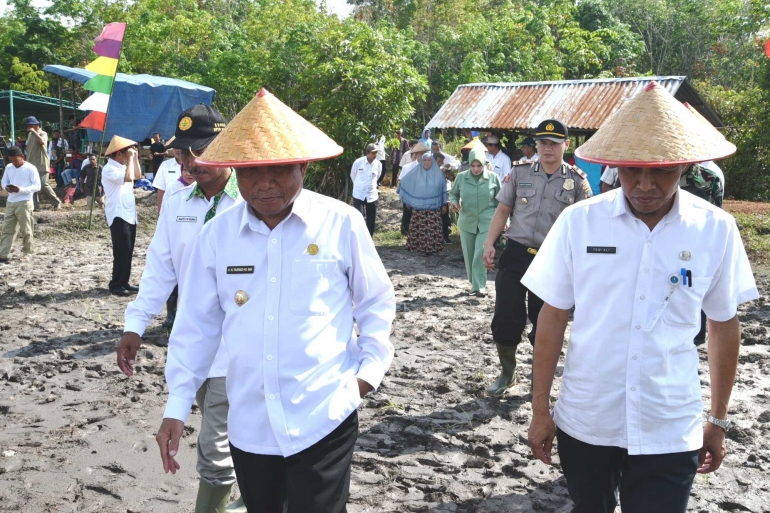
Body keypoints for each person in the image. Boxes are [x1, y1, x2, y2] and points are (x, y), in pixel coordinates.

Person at [153, 88, 395, 513]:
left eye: (279, 169)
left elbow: (375, 302)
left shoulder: (342, 223)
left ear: (302, 165)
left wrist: (366, 376)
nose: (264, 184)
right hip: (248, 424)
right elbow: (196, 326)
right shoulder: (217, 236)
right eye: (250, 172)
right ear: (235, 172)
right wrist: (176, 405)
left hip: (325, 416)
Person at [525, 81, 756, 513]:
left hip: (670, 421)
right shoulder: (580, 223)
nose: (645, 184)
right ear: (614, 168)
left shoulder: (715, 229)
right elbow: (552, 316)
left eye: (662, 171)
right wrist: (541, 409)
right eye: (633, 170)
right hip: (588, 418)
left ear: (685, 167)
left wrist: (718, 420)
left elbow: (723, 324)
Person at [116, 104, 246, 513]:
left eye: (199, 152)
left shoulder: (254, 201)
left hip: (243, 348)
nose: (190, 163)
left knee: (215, 448)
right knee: (236, 437)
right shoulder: (178, 203)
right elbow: (160, 270)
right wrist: (135, 324)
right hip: (194, 347)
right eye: (183, 153)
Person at [482, 119, 592, 397]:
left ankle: (537, 379)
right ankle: (507, 372)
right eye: (543, 142)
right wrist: (489, 242)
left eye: (554, 143)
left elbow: (583, 228)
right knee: (506, 316)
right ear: (537, 145)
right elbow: (503, 210)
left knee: (545, 322)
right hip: (517, 253)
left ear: (566, 145)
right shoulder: (520, 172)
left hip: (553, 260)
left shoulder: (578, 182)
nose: (548, 148)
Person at [449, 141, 500, 296]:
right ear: (469, 165)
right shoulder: (461, 178)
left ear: (484, 164)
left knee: (480, 253)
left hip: (487, 222)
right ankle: (475, 283)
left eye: (479, 166)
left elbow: (502, 202)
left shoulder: (493, 178)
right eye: (473, 166)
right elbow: (454, 193)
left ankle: (479, 287)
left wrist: (506, 222)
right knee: (469, 255)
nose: (476, 169)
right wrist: (454, 202)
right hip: (467, 221)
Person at [102, 135, 141, 297]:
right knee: (121, 251)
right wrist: (131, 159)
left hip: (129, 214)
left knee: (128, 250)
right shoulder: (109, 168)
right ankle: (116, 283)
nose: (130, 155)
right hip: (118, 215)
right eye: (127, 152)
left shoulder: (123, 166)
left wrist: (135, 158)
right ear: (119, 154)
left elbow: (137, 176)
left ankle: (124, 281)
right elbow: (129, 178)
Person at [399, 153, 447, 254]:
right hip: (418, 207)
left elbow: (443, 190)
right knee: (419, 228)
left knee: (432, 228)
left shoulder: (439, 174)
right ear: (421, 161)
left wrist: (444, 204)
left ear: (432, 162)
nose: (426, 162)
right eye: (424, 160)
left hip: (434, 207)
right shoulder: (415, 173)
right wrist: (409, 200)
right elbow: (406, 183)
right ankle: (418, 248)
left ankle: (432, 248)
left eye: (429, 160)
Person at [0, 146, 40, 263]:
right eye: (11, 160)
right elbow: (4, 181)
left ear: (22, 156)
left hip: (25, 201)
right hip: (11, 201)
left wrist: (20, 190)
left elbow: (37, 186)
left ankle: (27, 252)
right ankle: (3, 253)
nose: (13, 162)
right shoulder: (9, 167)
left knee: (26, 229)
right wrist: (6, 188)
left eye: (15, 160)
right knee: (7, 229)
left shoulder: (30, 168)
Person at [25, 117, 61, 211]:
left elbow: (41, 142)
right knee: (32, 185)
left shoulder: (43, 133)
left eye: (30, 125)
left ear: (36, 125)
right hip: (31, 164)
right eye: (28, 125)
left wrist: (34, 132)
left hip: (41, 163)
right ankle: (35, 206)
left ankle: (56, 202)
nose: (28, 127)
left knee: (42, 184)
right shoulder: (29, 135)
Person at [398, 141, 430, 236]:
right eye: (422, 153)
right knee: (407, 215)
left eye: (425, 153)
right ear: (416, 154)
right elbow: (403, 183)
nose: (424, 155)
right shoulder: (407, 167)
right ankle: (406, 233)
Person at [431, 141, 460, 243]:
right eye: (433, 149)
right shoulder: (428, 163)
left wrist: (448, 166)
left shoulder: (446, 159)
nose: (435, 151)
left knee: (444, 215)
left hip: (443, 193)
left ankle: (445, 236)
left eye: (437, 149)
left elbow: (457, 165)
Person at [350, 143, 381, 236]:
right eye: (373, 153)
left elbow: (378, 176)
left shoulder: (378, 164)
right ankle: (359, 237)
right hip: (359, 194)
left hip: (372, 195)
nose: (375, 155)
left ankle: (369, 239)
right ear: (367, 152)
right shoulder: (358, 162)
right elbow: (353, 175)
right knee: (359, 217)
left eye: (376, 153)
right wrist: (360, 186)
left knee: (371, 219)